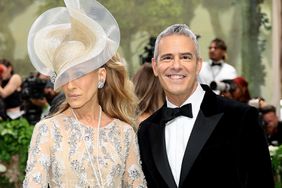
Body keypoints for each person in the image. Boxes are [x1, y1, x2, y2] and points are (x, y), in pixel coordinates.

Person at [23, 0, 146, 187]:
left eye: (79, 73)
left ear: (101, 76)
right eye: (65, 76)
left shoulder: (124, 133)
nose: (70, 85)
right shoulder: (47, 130)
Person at [137, 24, 274, 188]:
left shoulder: (241, 118)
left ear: (198, 65)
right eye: (167, 57)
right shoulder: (146, 130)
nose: (176, 65)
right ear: (155, 66)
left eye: (185, 57)